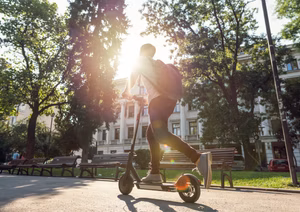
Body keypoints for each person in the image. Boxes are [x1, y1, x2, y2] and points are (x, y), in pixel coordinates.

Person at [122, 44, 212, 188]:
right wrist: (146, 98)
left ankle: (197, 157)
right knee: (151, 135)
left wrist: (126, 91)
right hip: (169, 100)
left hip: (158, 102)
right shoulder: (156, 66)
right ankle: (155, 173)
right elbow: (155, 88)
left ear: (141, 52)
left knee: (161, 135)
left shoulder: (142, 61)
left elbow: (133, 73)